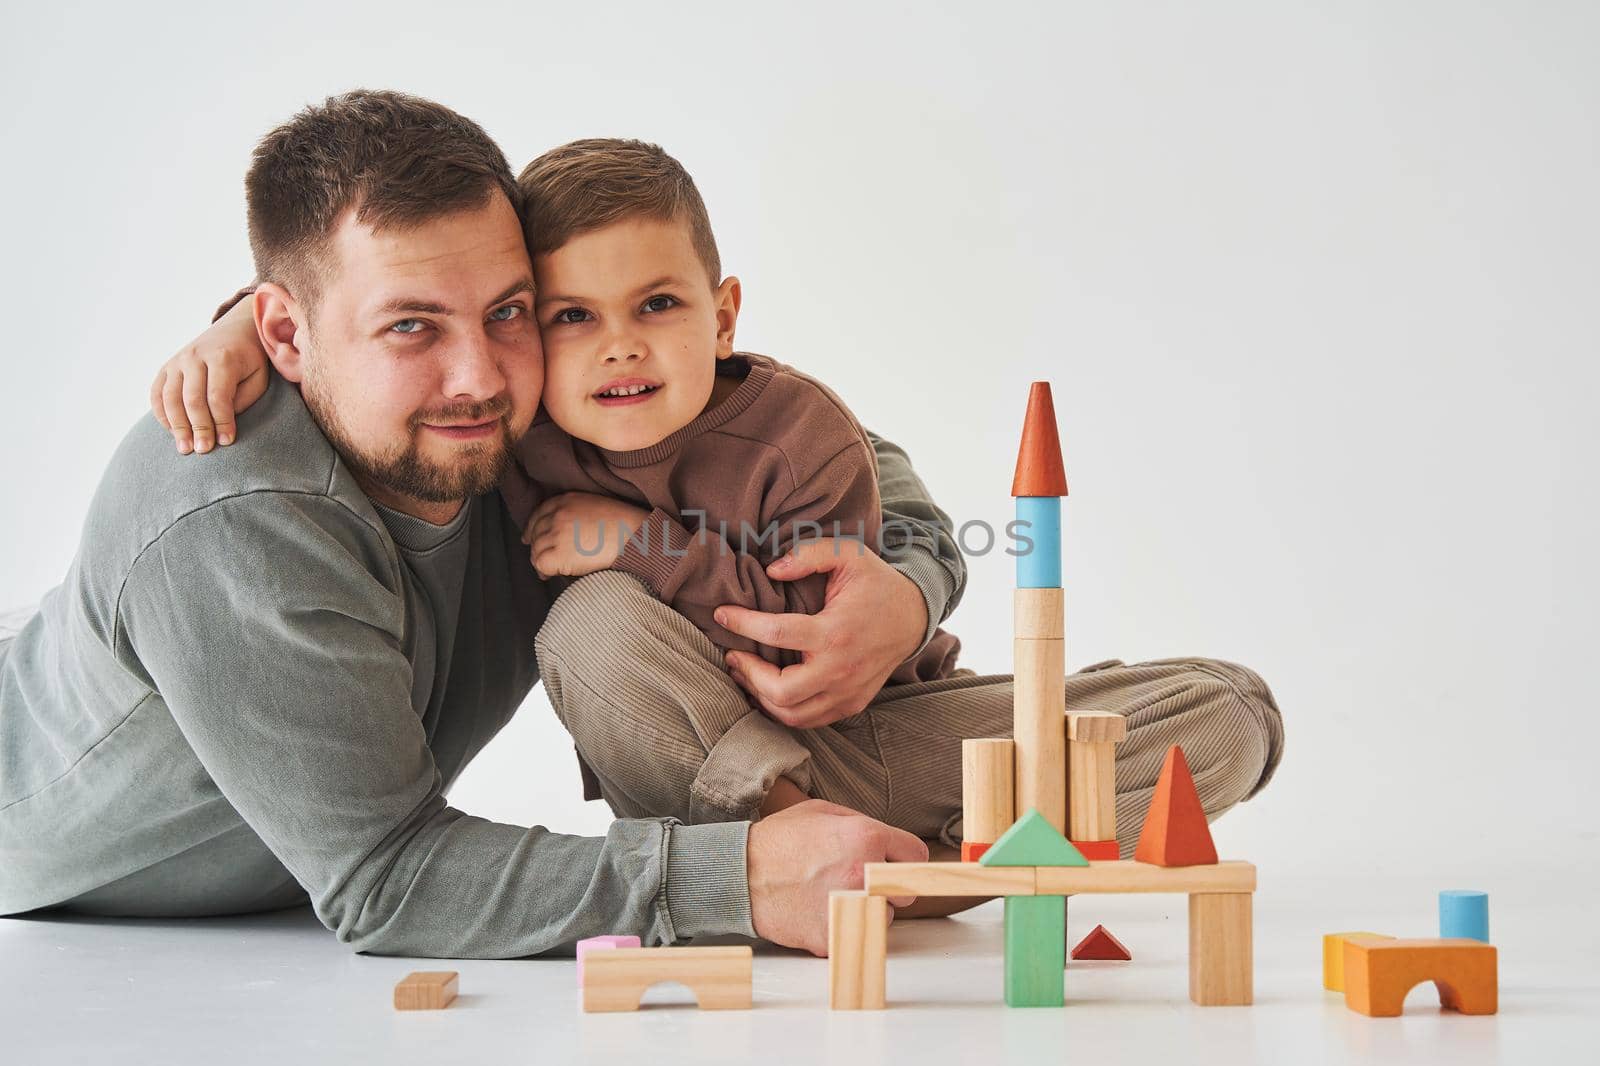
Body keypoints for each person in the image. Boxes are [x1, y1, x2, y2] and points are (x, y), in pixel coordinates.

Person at [152, 122, 1287, 876]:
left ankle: (918, 857)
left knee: (1228, 708)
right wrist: (238, 325)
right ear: (525, 326)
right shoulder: (507, 421)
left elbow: (812, 604)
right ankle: (811, 846)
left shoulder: (795, 430)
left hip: (877, 728)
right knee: (589, 619)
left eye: (656, 306)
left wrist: (875, 588)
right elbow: (366, 307)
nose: (619, 349)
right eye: (567, 317)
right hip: (708, 755)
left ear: (723, 313)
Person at [0, 90, 955, 960]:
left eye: (509, 310)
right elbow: (388, 877)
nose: (482, 378)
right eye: (411, 327)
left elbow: (816, 443)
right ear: (287, 336)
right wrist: (735, 878)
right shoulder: (235, 519)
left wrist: (910, 590)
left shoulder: (524, 405)